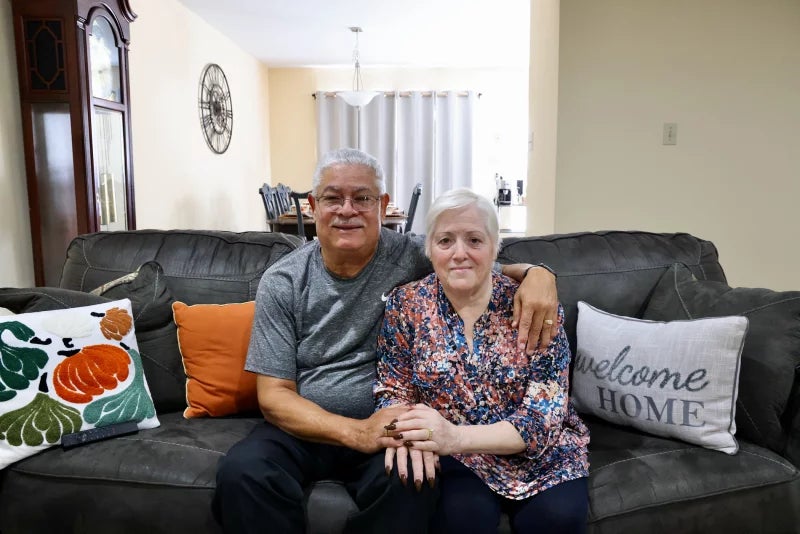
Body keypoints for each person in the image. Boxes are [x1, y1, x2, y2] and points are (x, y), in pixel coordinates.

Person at [212, 149, 560, 533]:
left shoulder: (412, 256)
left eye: (362, 198)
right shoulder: (283, 281)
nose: (347, 210)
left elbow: (473, 266)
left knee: (416, 482)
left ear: (382, 205)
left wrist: (538, 273)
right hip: (304, 427)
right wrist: (354, 432)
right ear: (312, 206)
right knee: (242, 474)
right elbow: (274, 395)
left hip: (389, 425)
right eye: (332, 198)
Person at [375, 188, 590, 534]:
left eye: (474, 240)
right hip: (460, 462)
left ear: (494, 247)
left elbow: (543, 418)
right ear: (429, 249)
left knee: (557, 518)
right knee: (462, 517)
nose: (460, 253)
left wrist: (454, 437)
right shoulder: (406, 305)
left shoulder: (534, 307)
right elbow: (392, 388)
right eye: (445, 241)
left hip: (542, 458)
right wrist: (405, 436)